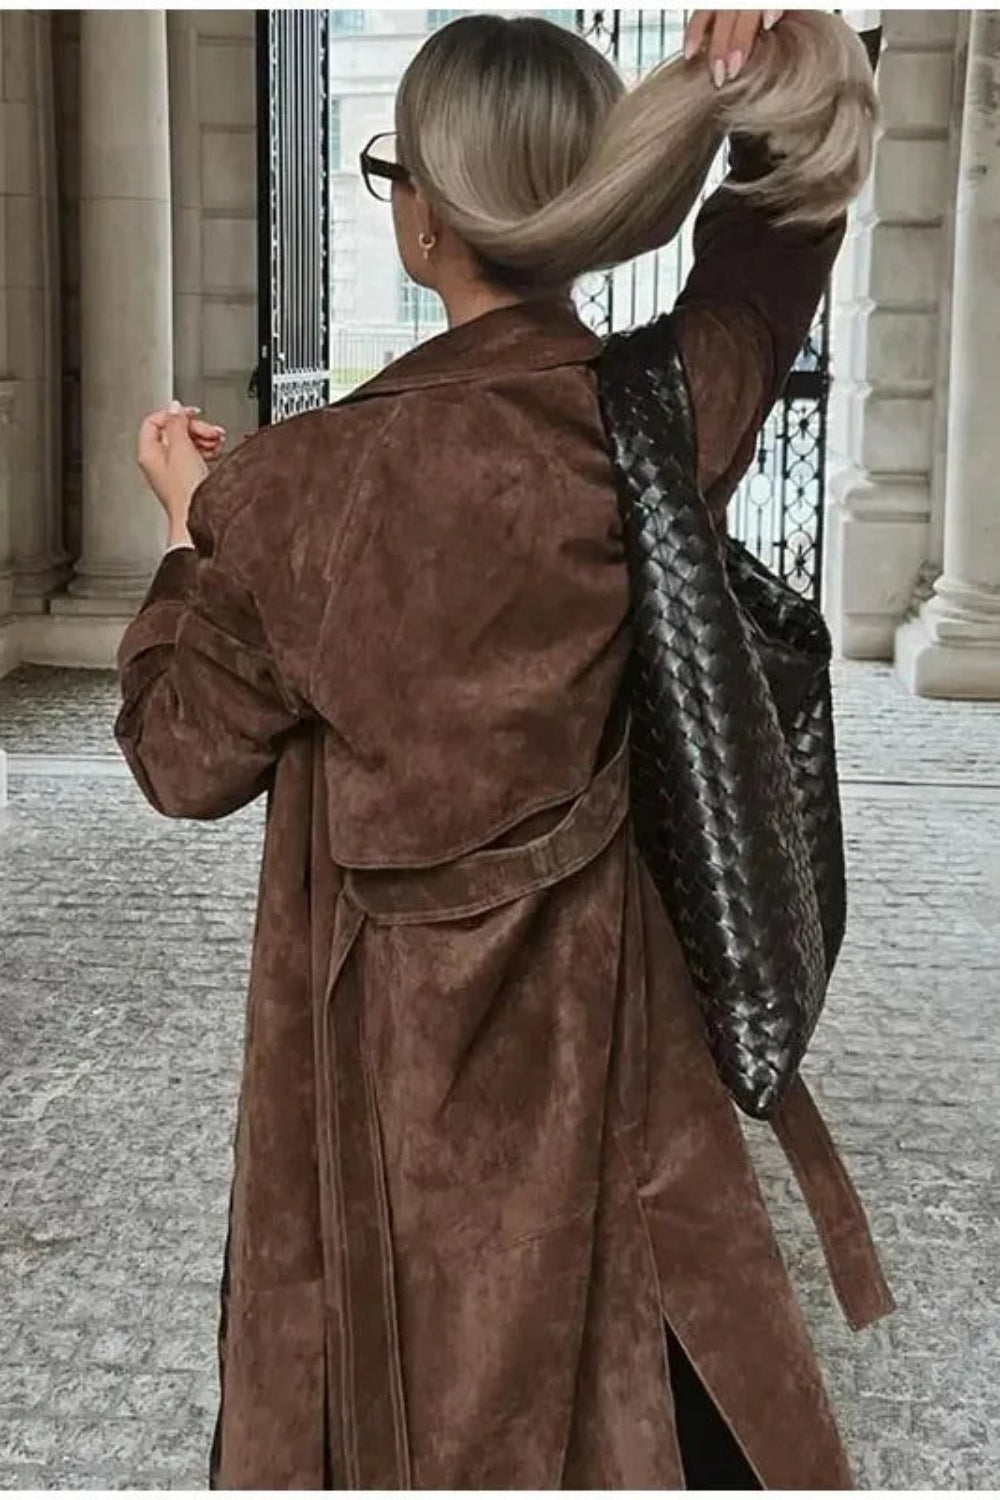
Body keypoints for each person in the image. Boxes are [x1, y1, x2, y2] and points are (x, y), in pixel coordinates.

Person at [117, 10, 891, 1489]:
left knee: (355, 1349)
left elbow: (180, 762)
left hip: (355, 1055)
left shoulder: (292, 491)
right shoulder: (655, 421)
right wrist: (780, 56)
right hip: (601, 1028)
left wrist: (183, 542)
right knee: (638, 1369)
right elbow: (781, 229)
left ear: (420, 216)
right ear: (583, 207)